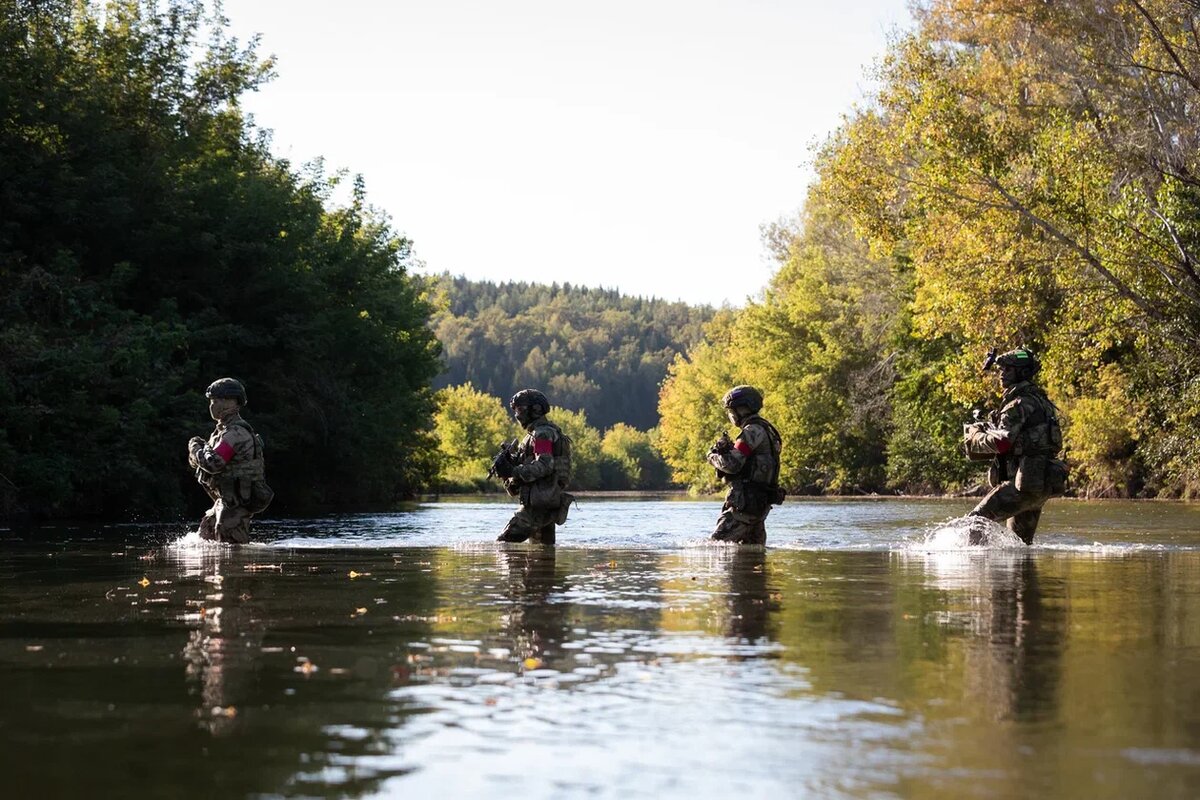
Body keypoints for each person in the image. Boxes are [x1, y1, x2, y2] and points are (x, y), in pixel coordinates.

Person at [963, 347, 1068, 544]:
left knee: (975, 524)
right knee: (1020, 547)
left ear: (1023, 373)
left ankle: (973, 570)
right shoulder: (1040, 401)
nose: (1002, 374)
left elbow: (1002, 443)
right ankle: (1019, 574)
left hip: (1022, 486)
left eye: (1008, 370)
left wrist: (976, 436)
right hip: (1038, 487)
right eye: (1001, 370)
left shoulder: (1018, 404)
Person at [187, 377, 272, 544]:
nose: (211, 405)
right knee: (205, 537)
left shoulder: (235, 433)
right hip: (225, 503)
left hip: (235, 506)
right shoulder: (222, 432)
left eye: (215, 400)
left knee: (231, 554)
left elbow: (213, 464)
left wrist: (195, 449)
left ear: (230, 402)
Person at [707, 385, 784, 545]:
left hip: (743, 507)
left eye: (731, 411)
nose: (730, 415)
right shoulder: (767, 430)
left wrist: (712, 456)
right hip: (759, 507)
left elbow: (732, 464)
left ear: (741, 410)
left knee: (714, 548)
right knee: (753, 560)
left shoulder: (751, 431)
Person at [494, 389, 573, 545]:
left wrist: (512, 470)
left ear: (536, 409)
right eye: (516, 410)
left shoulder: (542, 434)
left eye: (521, 409)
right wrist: (509, 470)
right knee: (542, 557)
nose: (517, 414)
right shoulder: (539, 434)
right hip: (545, 504)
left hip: (537, 507)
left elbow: (544, 465)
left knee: (503, 545)